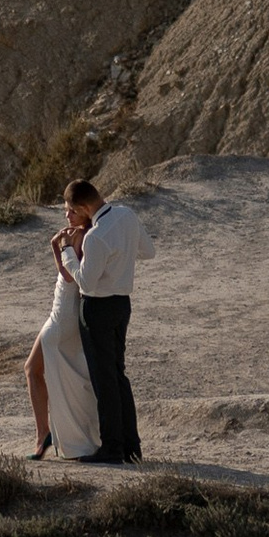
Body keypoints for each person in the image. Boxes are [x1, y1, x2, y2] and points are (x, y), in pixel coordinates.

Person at [67, 179, 157, 464]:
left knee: (104, 379)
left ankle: (112, 448)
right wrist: (122, 256)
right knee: (118, 376)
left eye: (71, 209)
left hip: (98, 308)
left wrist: (69, 252)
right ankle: (132, 447)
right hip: (122, 304)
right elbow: (148, 251)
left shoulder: (95, 237)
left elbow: (86, 283)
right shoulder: (127, 215)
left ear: (83, 207)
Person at [26, 200, 102, 461]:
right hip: (62, 313)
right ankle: (45, 434)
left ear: (83, 210)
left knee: (33, 369)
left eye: (71, 211)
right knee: (37, 369)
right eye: (65, 211)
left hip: (63, 316)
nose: (67, 215)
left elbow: (69, 276)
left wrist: (55, 249)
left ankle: (45, 435)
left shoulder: (81, 236)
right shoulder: (85, 234)